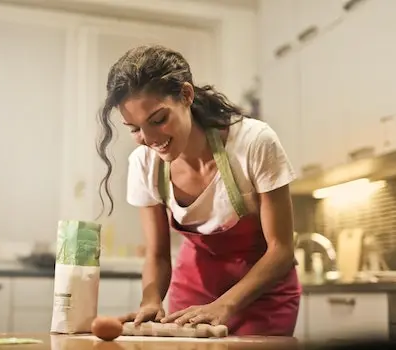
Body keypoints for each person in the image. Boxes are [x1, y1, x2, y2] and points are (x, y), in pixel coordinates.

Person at [96, 44, 301, 336]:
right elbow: (157, 254)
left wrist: (224, 305)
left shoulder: (254, 143)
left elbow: (281, 250)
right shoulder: (144, 164)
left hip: (263, 297)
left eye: (158, 120)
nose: (150, 138)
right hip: (191, 297)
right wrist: (151, 300)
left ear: (187, 95)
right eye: (135, 128)